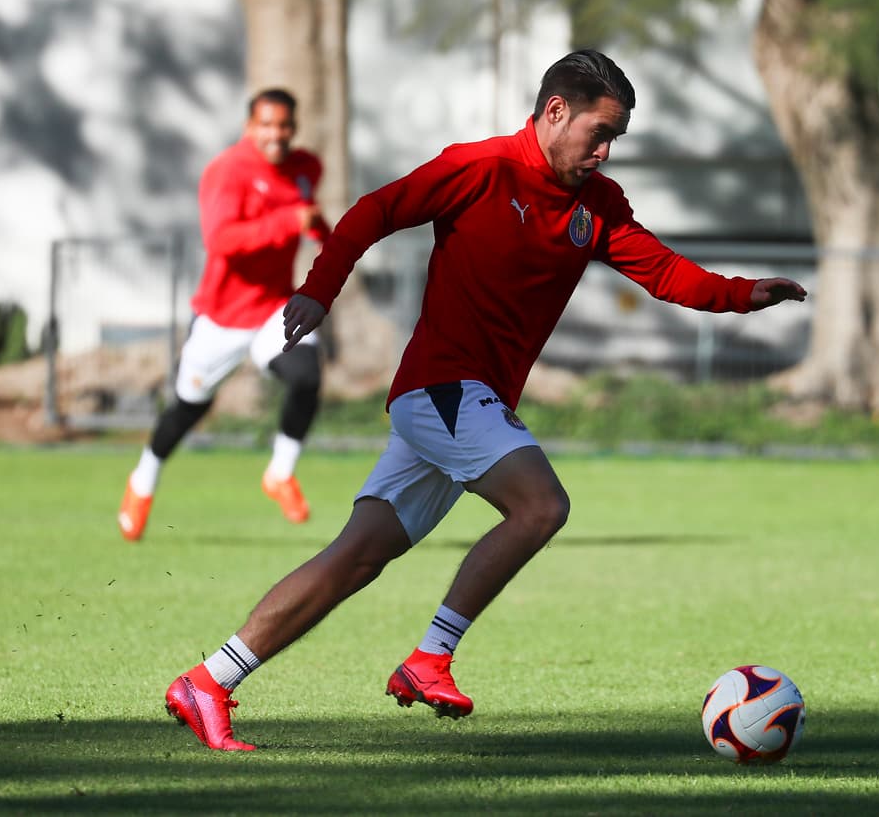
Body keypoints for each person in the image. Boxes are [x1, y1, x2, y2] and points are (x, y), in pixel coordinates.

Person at [163, 50, 807, 750]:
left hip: (465, 402)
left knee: (356, 556)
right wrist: (319, 290)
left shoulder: (597, 204)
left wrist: (744, 294)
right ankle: (429, 658)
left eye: (615, 137)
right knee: (541, 506)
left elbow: (665, 273)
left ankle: (208, 680)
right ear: (554, 111)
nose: (606, 150)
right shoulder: (481, 167)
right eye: (599, 131)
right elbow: (374, 212)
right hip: (442, 386)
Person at [118, 88, 333, 542]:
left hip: (275, 306)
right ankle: (143, 482)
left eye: (284, 125)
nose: (277, 134)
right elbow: (221, 241)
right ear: (249, 127)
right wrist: (288, 223)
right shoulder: (228, 171)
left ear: (293, 127)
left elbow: (307, 216)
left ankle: (280, 474)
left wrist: (327, 242)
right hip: (222, 315)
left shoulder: (306, 168)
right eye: (267, 125)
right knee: (188, 410)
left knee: (307, 376)